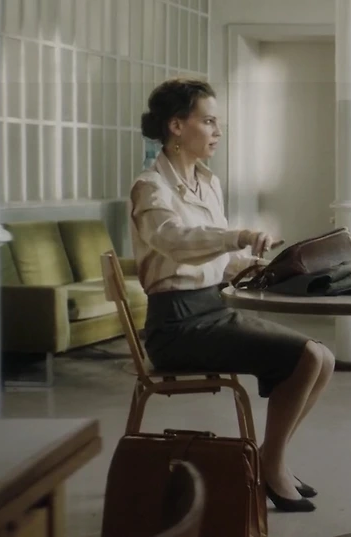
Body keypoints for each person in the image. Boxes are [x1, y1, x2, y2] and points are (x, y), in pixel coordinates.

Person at [131, 77, 334, 512]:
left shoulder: (209, 183)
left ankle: (269, 459)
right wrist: (237, 236)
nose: (217, 132)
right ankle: (272, 468)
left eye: (217, 123)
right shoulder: (150, 186)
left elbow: (217, 262)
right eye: (208, 122)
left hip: (211, 309)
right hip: (175, 326)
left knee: (324, 358)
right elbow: (174, 241)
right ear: (176, 126)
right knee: (307, 356)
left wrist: (260, 266)